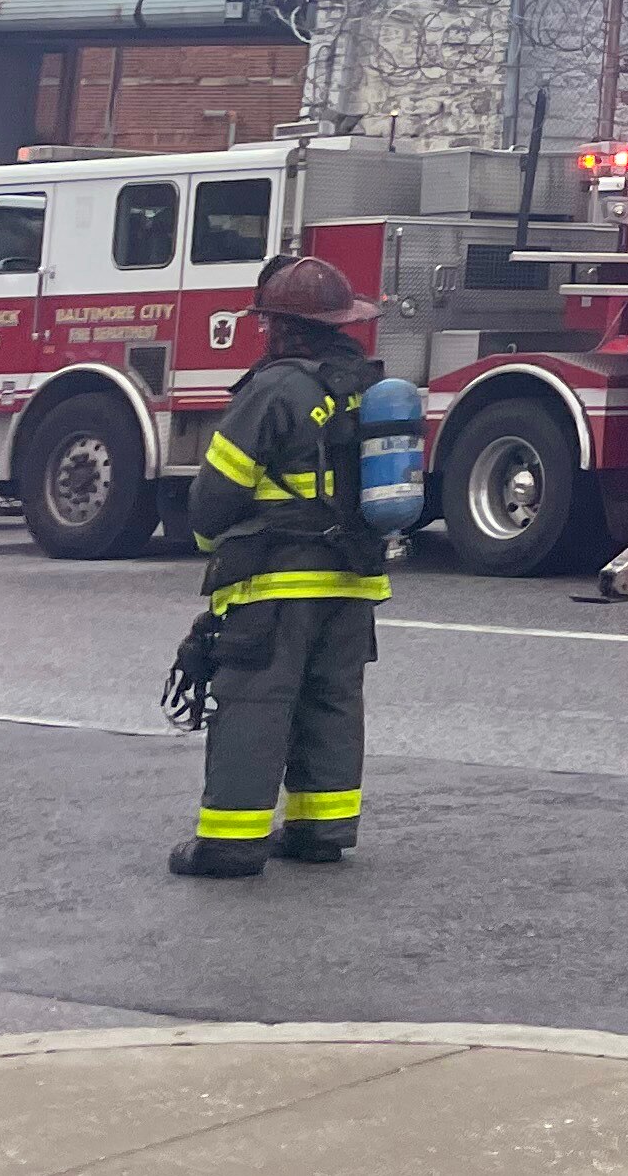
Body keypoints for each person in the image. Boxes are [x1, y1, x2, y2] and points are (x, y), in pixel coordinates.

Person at [171, 252, 392, 878]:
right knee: (332, 699)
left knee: (255, 701)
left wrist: (211, 545)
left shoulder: (275, 387)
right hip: (354, 579)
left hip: (275, 578)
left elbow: (216, 494)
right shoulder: (370, 385)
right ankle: (321, 830)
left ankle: (231, 843)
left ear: (280, 325)